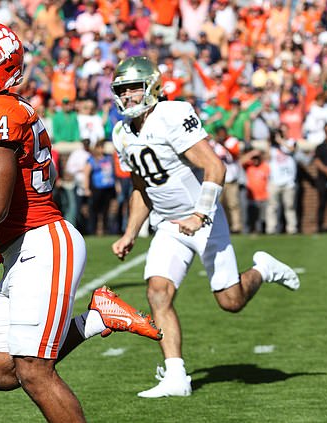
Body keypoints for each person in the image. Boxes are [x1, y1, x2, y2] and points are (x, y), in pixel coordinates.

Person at [0, 22, 162, 422]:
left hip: (43, 243)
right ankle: (98, 317)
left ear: (2, 66)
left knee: (33, 370)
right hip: (20, 249)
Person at [109, 57, 300, 398]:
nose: (128, 96)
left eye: (134, 87)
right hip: (167, 225)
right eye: (122, 89)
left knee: (230, 301)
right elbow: (142, 186)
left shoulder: (171, 114)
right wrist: (130, 232)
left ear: (153, 86)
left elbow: (215, 167)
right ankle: (176, 376)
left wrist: (199, 214)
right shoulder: (121, 132)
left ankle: (263, 270)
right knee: (157, 292)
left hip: (204, 219)